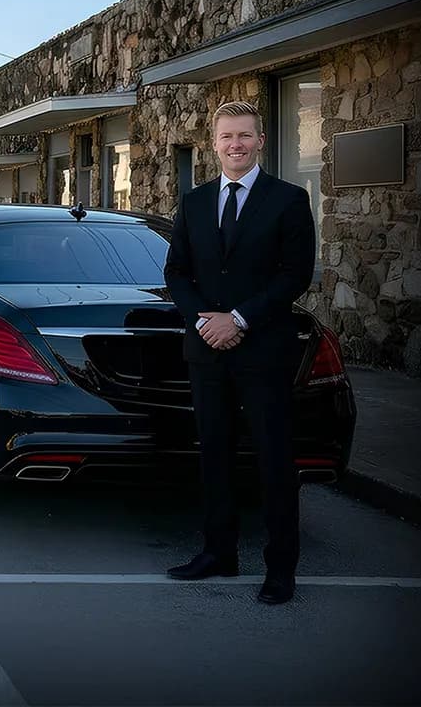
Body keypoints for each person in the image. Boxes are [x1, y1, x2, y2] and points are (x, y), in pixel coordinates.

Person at [163, 101, 315, 604]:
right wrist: (205, 320)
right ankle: (219, 553)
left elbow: (294, 275)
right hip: (207, 351)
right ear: (213, 143)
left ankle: (280, 569)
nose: (236, 145)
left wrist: (241, 319)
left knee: (274, 460)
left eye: (245, 136)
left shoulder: (289, 200)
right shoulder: (194, 202)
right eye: (227, 136)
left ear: (261, 140)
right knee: (215, 455)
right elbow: (176, 274)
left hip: (263, 350)